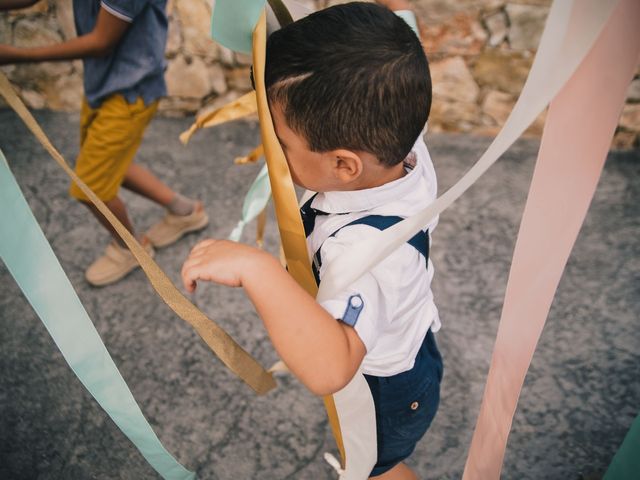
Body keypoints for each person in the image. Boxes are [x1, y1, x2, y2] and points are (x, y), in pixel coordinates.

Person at [181, 3, 441, 479]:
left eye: (281, 143)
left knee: (374, 467)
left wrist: (256, 269)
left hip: (384, 390)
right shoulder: (402, 138)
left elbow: (330, 367)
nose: (273, 152)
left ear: (345, 165)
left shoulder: (364, 250)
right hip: (406, 344)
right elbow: (398, 27)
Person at [0, 0, 209, 286]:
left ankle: (131, 248)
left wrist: (15, 55)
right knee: (107, 167)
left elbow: (102, 42)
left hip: (129, 93)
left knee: (90, 187)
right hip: (105, 84)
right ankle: (186, 212)